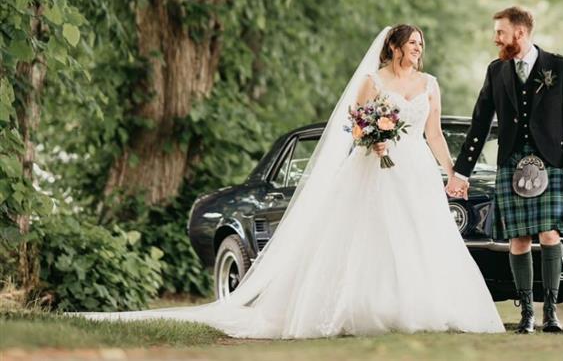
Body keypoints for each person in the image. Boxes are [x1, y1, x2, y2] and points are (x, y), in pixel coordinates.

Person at [80, 25, 504, 339]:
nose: (418, 49)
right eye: (412, 43)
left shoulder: (430, 84)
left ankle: (422, 307)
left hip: (416, 169)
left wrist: (452, 172)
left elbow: (433, 134)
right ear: (394, 46)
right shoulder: (373, 81)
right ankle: (364, 307)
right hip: (376, 166)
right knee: (372, 235)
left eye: (421, 45)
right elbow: (353, 125)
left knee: (421, 237)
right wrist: (372, 138)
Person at [447, 6, 563, 334]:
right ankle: (526, 314)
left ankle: (550, 311)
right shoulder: (497, 71)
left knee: (550, 234)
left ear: (519, 33)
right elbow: (480, 124)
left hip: (551, 162)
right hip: (511, 162)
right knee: (518, 239)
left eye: (501, 32)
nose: (495, 38)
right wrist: (461, 172)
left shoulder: (561, 67)